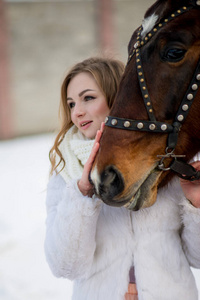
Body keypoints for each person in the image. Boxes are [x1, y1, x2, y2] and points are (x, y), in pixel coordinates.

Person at [45, 56, 200, 300]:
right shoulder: (66, 171)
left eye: (88, 98)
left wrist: (196, 204)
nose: (78, 112)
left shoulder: (164, 159)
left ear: (119, 98)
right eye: (71, 104)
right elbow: (65, 266)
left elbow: (197, 257)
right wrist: (82, 194)